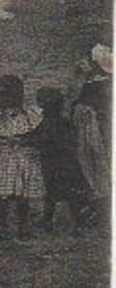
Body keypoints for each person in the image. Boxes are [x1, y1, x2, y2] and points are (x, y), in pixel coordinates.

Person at [0, 74, 45, 242]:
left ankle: (22, 227)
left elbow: (36, 137)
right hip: (3, 161)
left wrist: (23, 141)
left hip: (22, 160)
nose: (1, 101)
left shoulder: (28, 116)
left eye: (5, 96)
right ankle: (1, 227)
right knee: (1, 197)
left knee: (21, 197)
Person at [35, 87, 89, 237]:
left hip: (61, 165)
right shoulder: (56, 121)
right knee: (54, 193)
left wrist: (34, 141)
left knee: (66, 195)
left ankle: (75, 226)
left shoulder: (55, 123)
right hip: (59, 164)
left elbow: (51, 140)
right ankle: (48, 220)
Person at [71, 45, 111, 222]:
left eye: (84, 61)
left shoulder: (97, 85)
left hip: (92, 128)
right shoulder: (90, 81)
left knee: (94, 162)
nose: (80, 64)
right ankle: (96, 200)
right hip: (86, 126)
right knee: (90, 162)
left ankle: (100, 202)